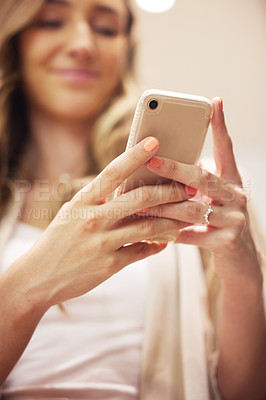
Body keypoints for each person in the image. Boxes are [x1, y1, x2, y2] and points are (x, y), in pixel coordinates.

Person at [0, 0, 265, 399]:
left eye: (106, 28)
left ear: (126, 49)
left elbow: (246, 391)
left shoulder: (197, 192)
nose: (82, 44)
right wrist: (32, 285)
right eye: (52, 21)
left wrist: (246, 277)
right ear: (15, 40)